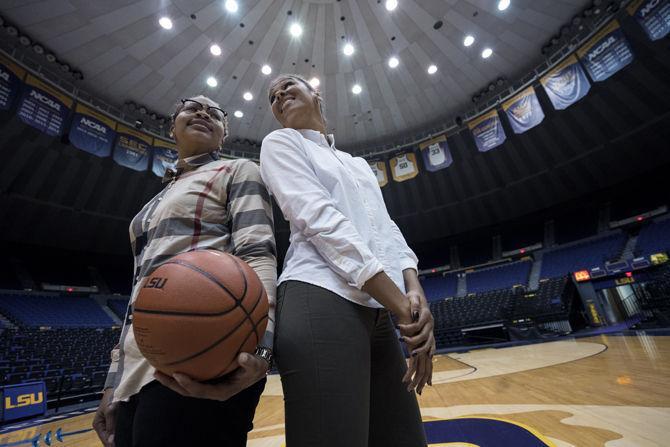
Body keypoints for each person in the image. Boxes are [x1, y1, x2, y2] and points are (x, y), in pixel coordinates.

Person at [259, 74, 436, 447]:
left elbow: (386, 228)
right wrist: (400, 305)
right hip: (319, 295)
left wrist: (414, 290)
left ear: (316, 94)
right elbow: (321, 222)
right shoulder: (280, 143)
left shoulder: (355, 163)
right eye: (273, 96)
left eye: (289, 84)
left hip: (377, 308)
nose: (279, 94)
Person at [92, 95, 277, 447]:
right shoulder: (153, 203)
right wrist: (113, 383)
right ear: (172, 127)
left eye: (215, 113)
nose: (204, 112)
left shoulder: (238, 170)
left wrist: (261, 351)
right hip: (138, 366)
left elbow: (258, 255)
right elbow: (139, 296)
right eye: (192, 108)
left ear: (223, 136)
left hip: (204, 358)